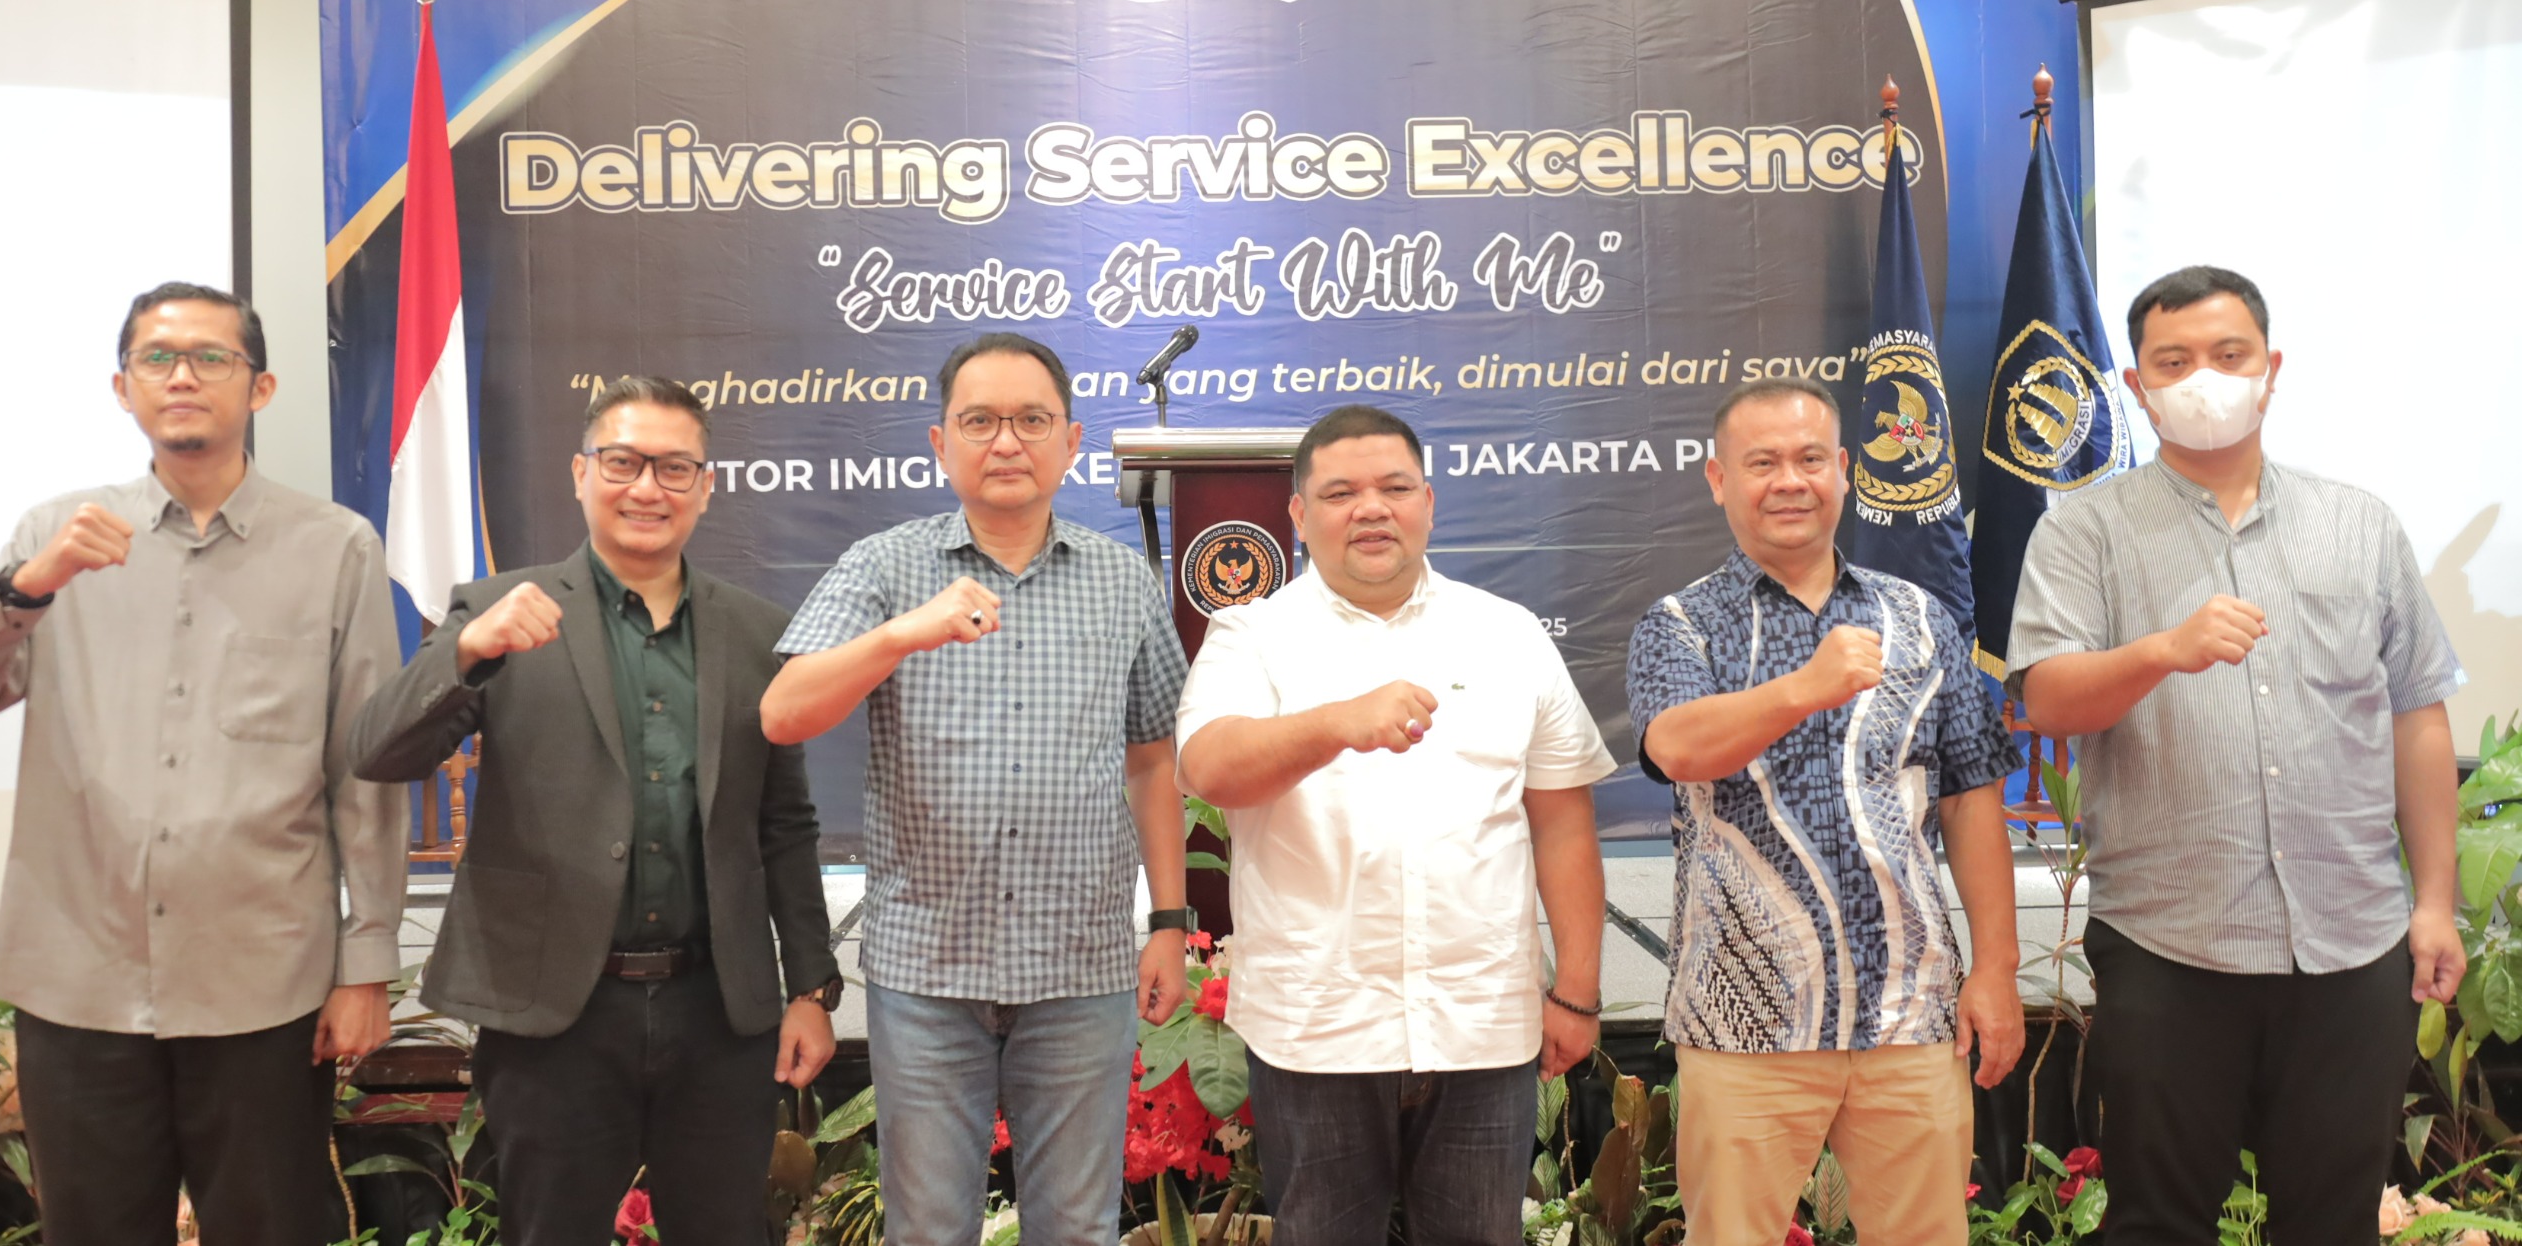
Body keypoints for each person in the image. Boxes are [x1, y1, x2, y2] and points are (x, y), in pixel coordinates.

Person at [2006, 265, 2463, 1245]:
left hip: (2351, 939)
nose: (2203, 379)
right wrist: (2162, 651)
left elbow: (2415, 712)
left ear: (2270, 368)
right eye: (2174, 362)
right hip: (2170, 943)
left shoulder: (2359, 523)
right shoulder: (2083, 529)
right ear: (2138, 385)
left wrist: (2433, 901)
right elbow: (2047, 698)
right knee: (2159, 1222)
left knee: (2332, 1222)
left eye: (2227, 354)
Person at [0, 282, 406, 1245]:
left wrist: (367, 961)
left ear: (261, 387)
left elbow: (364, 766)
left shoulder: (335, 548)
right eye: (157, 358)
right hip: (78, 978)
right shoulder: (53, 536)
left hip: (264, 986)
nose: (182, 376)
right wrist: (24, 591)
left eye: (212, 357)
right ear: (122, 387)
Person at [349, 374, 839, 1244]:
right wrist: (466, 652)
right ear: (581, 474)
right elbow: (380, 753)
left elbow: (785, 823)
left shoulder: (758, 633)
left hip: (716, 1010)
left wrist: (810, 987)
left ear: (705, 487)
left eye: (674, 468)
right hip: (555, 1014)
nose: (647, 487)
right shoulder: (497, 610)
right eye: (622, 462)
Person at [761, 332, 1190, 1246]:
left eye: (1031, 420)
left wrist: (1167, 920)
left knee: (1077, 1229)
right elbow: (783, 713)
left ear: (1070, 442)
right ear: (940, 443)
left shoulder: (1122, 580)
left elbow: (1154, 756)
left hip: (1080, 968)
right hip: (928, 971)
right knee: (927, 1231)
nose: (1006, 442)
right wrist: (901, 635)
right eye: (980, 421)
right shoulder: (885, 566)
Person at [1175, 404, 1614, 1246]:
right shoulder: (1251, 636)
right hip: (1317, 1030)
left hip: (1482, 1025)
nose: (1371, 508)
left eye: (1395, 488)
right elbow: (1209, 767)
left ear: (1429, 504)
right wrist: (1335, 723)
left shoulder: (1508, 633)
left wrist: (1578, 991)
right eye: (1340, 493)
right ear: (1299, 515)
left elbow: (1562, 824)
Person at [1624, 378, 2023, 1246]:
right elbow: (1677, 747)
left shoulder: (1921, 619)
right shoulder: (1679, 624)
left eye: (1810, 459)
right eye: (1762, 462)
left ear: (1844, 470)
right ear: (1718, 479)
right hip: (1743, 1019)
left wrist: (1996, 967)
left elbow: (1972, 795)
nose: (1789, 481)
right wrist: (1804, 687)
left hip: (1911, 1014)